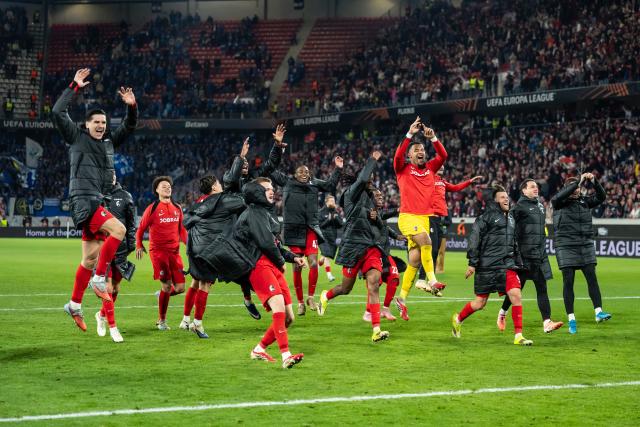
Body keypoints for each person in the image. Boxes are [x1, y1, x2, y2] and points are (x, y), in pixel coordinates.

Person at [53, 68, 137, 332]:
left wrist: (132, 107)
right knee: (119, 230)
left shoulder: (109, 143)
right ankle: (100, 279)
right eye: (96, 122)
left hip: (96, 200)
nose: (100, 126)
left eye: (103, 122)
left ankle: (74, 304)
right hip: (84, 200)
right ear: (86, 124)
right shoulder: (75, 137)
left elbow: (129, 126)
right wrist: (74, 86)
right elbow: (57, 112)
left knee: (88, 259)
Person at [206, 178, 305, 368]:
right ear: (257, 193)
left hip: (271, 266)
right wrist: (281, 261)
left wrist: (293, 257)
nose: (271, 191)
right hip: (259, 266)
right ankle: (286, 356)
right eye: (266, 189)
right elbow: (266, 243)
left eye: (272, 188)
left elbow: (274, 244)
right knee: (278, 309)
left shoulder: (264, 212)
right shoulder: (253, 212)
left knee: (289, 318)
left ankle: (259, 349)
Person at [318, 152, 391, 343]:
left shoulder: (369, 197)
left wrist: (375, 218)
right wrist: (372, 160)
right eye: (369, 177)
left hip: (370, 247)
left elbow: (375, 220)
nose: (371, 180)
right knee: (345, 288)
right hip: (352, 246)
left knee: (374, 284)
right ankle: (326, 295)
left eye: (373, 178)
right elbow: (363, 178)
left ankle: (376, 329)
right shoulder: (351, 193)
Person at [451, 185, 533, 346]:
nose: (506, 199)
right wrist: (472, 264)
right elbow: (474, 240)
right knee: (480, 303)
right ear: (495, 201)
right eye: (502, 197)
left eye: (507, 197)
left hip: (506, 264)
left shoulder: (510, 218)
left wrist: (518, 261)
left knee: (516, 295)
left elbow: (513, 241)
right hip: (486, 265)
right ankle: (458, 319)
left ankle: (518, 336)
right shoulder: (485, 218)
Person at [223, 125, 286, 319]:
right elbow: (232, 177)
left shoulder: (252, 181)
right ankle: (249, 298)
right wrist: (240, 157)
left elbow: (269, 167)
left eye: (246, 163)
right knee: (244, 265)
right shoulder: (229, 180)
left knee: (257, 263)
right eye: (242, 165)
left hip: (255, 227)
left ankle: (266, 297)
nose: (245, 166)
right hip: (236, 227)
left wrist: (276, 146)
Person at [270, 155, 343, 315]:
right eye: (301, 171)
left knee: (314, 264)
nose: (304, 173)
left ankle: (310, 297)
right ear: (295, 175)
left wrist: (338, 168)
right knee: (297, 265)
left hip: (310, 228)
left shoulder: (314, 184)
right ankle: (301, 302)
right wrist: (277, 149)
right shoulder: (287, 182)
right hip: (293, 230)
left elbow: (330, 185)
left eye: (307, 172)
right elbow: (271, 171)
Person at [394, 117, 447, 321]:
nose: (420, 152)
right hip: (407, 217)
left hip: (424, 219)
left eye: (422, 150)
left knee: (414, 262)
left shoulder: (431, 169)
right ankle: (432, 280)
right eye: (416, 150)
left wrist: (433, 137)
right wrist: (409, 135)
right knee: (426, 241)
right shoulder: (403, 168)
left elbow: (443, 154)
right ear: (409, 155)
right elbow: (398, 155)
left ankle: (402, 298)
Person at [181, 175, 245, 338]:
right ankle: (197, 323)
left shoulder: (200, 202)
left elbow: (187, 222)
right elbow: (241, 201)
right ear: (214, 188)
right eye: (218, 183)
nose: (221, 185)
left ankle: (185, 319)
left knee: (195, 282)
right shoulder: (220, 201)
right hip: (208, 249)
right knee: (205, 285)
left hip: (194, 248)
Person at [497, 179, 563, 333]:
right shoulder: (518, 208)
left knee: (542, 287)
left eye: (537, 187)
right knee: (516, 289)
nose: (536, 189)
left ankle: (547, 322)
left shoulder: (540, 206)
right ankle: (502, 313)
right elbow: (509, 229)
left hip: (539, 256)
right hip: (523, 256)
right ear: (524, 191)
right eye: (532, 187)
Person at [551, 173, 611, 334]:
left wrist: (594, 181)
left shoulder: (584, 202)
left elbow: (601, 196)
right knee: (568, 281)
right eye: (575, 187)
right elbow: (557, 197)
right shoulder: (559, 203)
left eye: (578, 187)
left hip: (585, 245)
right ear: (568, 188)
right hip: (565, 245)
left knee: (592, 277)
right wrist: (578, 180)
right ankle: (571, 319)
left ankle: (598, 312)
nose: (577, 190)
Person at [415, 168, 483, 293]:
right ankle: (421, 278)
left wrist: (469, 181)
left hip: (438, 220)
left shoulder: (442, 182)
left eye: (442, 166)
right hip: (429, 217)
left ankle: (432, 280)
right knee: (432, 249)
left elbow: (456, 187)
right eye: (439, 166)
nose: (441, 167)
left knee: (435, 252)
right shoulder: (427, 178)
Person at [136, 176, 188, 330]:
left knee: (180, 288)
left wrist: (188, 244)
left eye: (169, 186)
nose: (168, 188)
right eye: (164, 186)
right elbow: (141, 229)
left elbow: (182, 230)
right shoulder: (152, 208)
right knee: (166, 285)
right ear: (157, 190)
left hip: (175, 253)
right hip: (158, 253)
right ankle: (162, 320)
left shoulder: (177, 208)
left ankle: (162, 296)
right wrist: (139, 244)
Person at [95, 175, 137, 342]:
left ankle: (101, 315)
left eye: (111, 174)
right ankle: (113, 328)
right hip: (103, 249)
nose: (109, 177)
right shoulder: (97, 197)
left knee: (116, 288)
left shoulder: (125, 196)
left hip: (121, 250)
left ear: (115, 177)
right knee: (108, 288)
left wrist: (132, 243)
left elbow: (131, 222)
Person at [362, 188, 407, 322]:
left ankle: (386, 309)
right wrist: (397, 210)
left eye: (381, 195)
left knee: (394, 278)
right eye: (377, 195)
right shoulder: (369, 212)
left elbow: (384, 226)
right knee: (376, 283)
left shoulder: (379, 213)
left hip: (385, 252)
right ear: (371, 199)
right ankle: (368, 312)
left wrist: (396, 236)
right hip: (372, 253)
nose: (381, 197)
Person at [318, 194, 344, 282]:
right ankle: (329, 275)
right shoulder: (321, 212)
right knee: (327, 255)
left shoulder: (335, 212)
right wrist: (328, 220)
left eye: (334, 201)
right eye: (331, 201)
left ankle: (319, 263)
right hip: (323, 237)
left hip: (332, 237)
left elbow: (341, 225)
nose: (333, 203)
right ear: (326, 202)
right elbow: (320, 225)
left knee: (327, 255)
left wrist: (336, 219)